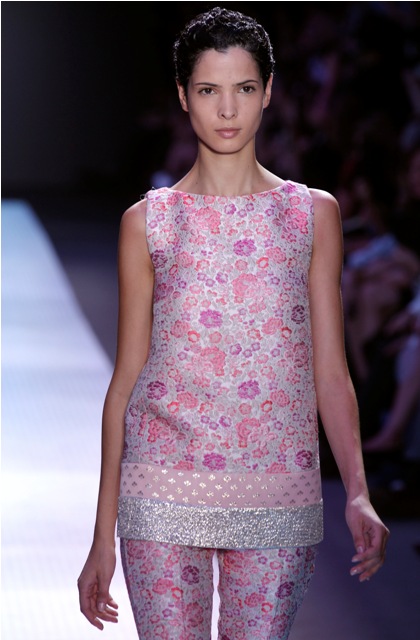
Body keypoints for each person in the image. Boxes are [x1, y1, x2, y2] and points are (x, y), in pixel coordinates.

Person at [77, 7, 390, 639]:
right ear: (183, 96)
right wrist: (101, 532)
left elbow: (330, 369)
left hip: (277, 487)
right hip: (161, 486)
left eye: (244, 88)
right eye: (208, 90)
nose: (227, 110)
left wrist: (358, 489)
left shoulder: (311, 215)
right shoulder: (148, 222)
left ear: (268, 92)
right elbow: (126, 381)